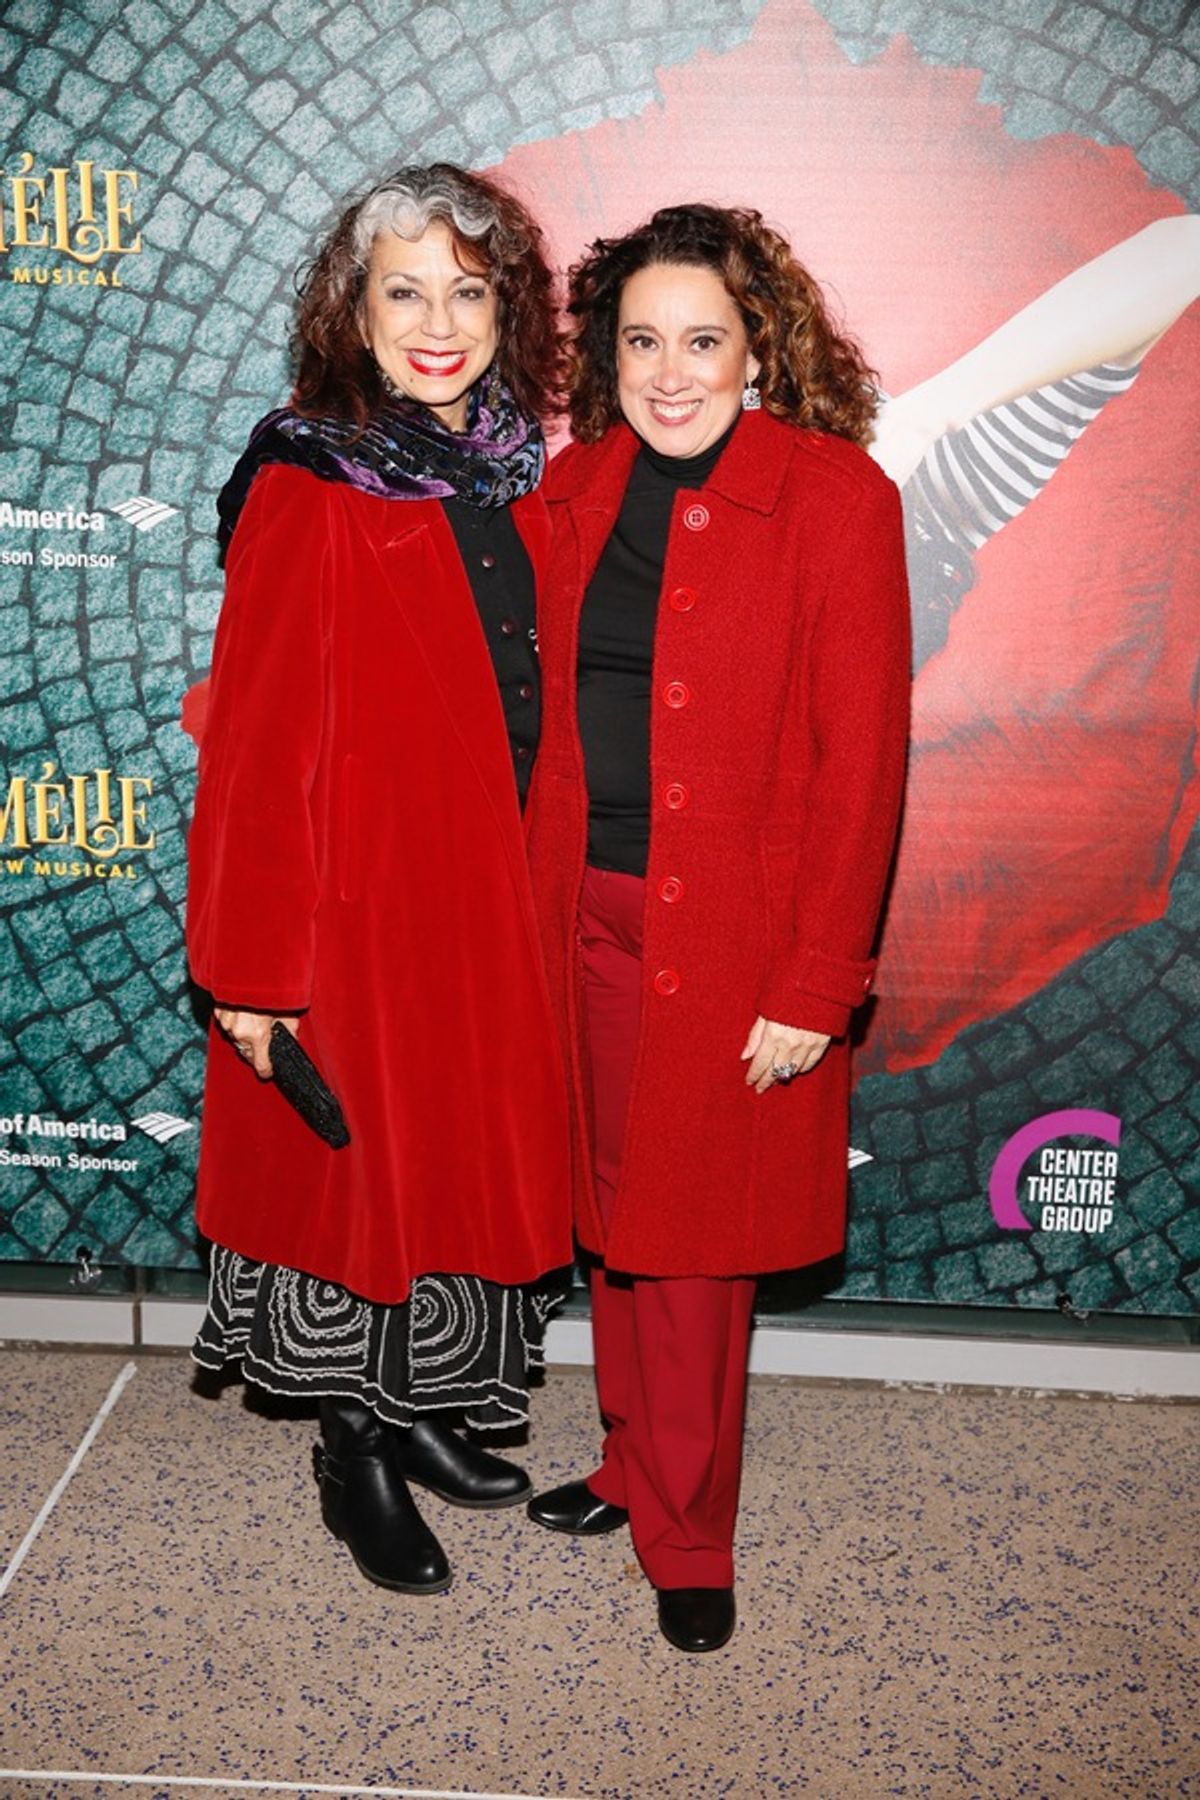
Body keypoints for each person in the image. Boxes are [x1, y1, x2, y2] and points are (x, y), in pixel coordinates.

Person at [522, 203, 911, 1651]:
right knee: (618, 1223)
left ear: (761, 353)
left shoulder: (835, 501)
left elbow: (859, 763)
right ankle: (631, 1459)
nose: (669, 372)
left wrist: (817, 980)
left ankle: (691, 1536)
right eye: (640, 341)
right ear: (603, 355)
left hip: (735, 948)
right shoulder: (569, 495)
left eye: (703, 339)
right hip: (577, 924)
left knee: (690, 1246)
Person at [187, 164, 571, 1596]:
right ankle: (352, 1449)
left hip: (488, 896)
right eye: (404, 289)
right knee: (363, 1184)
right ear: (349, 309)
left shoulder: (517, 468)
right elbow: (255, 744)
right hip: (354, 913)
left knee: (458, 1171)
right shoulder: (312, 479)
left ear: (506, 308)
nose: (439, 322)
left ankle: (418, 1416)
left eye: (469, 292)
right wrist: (248, 971)